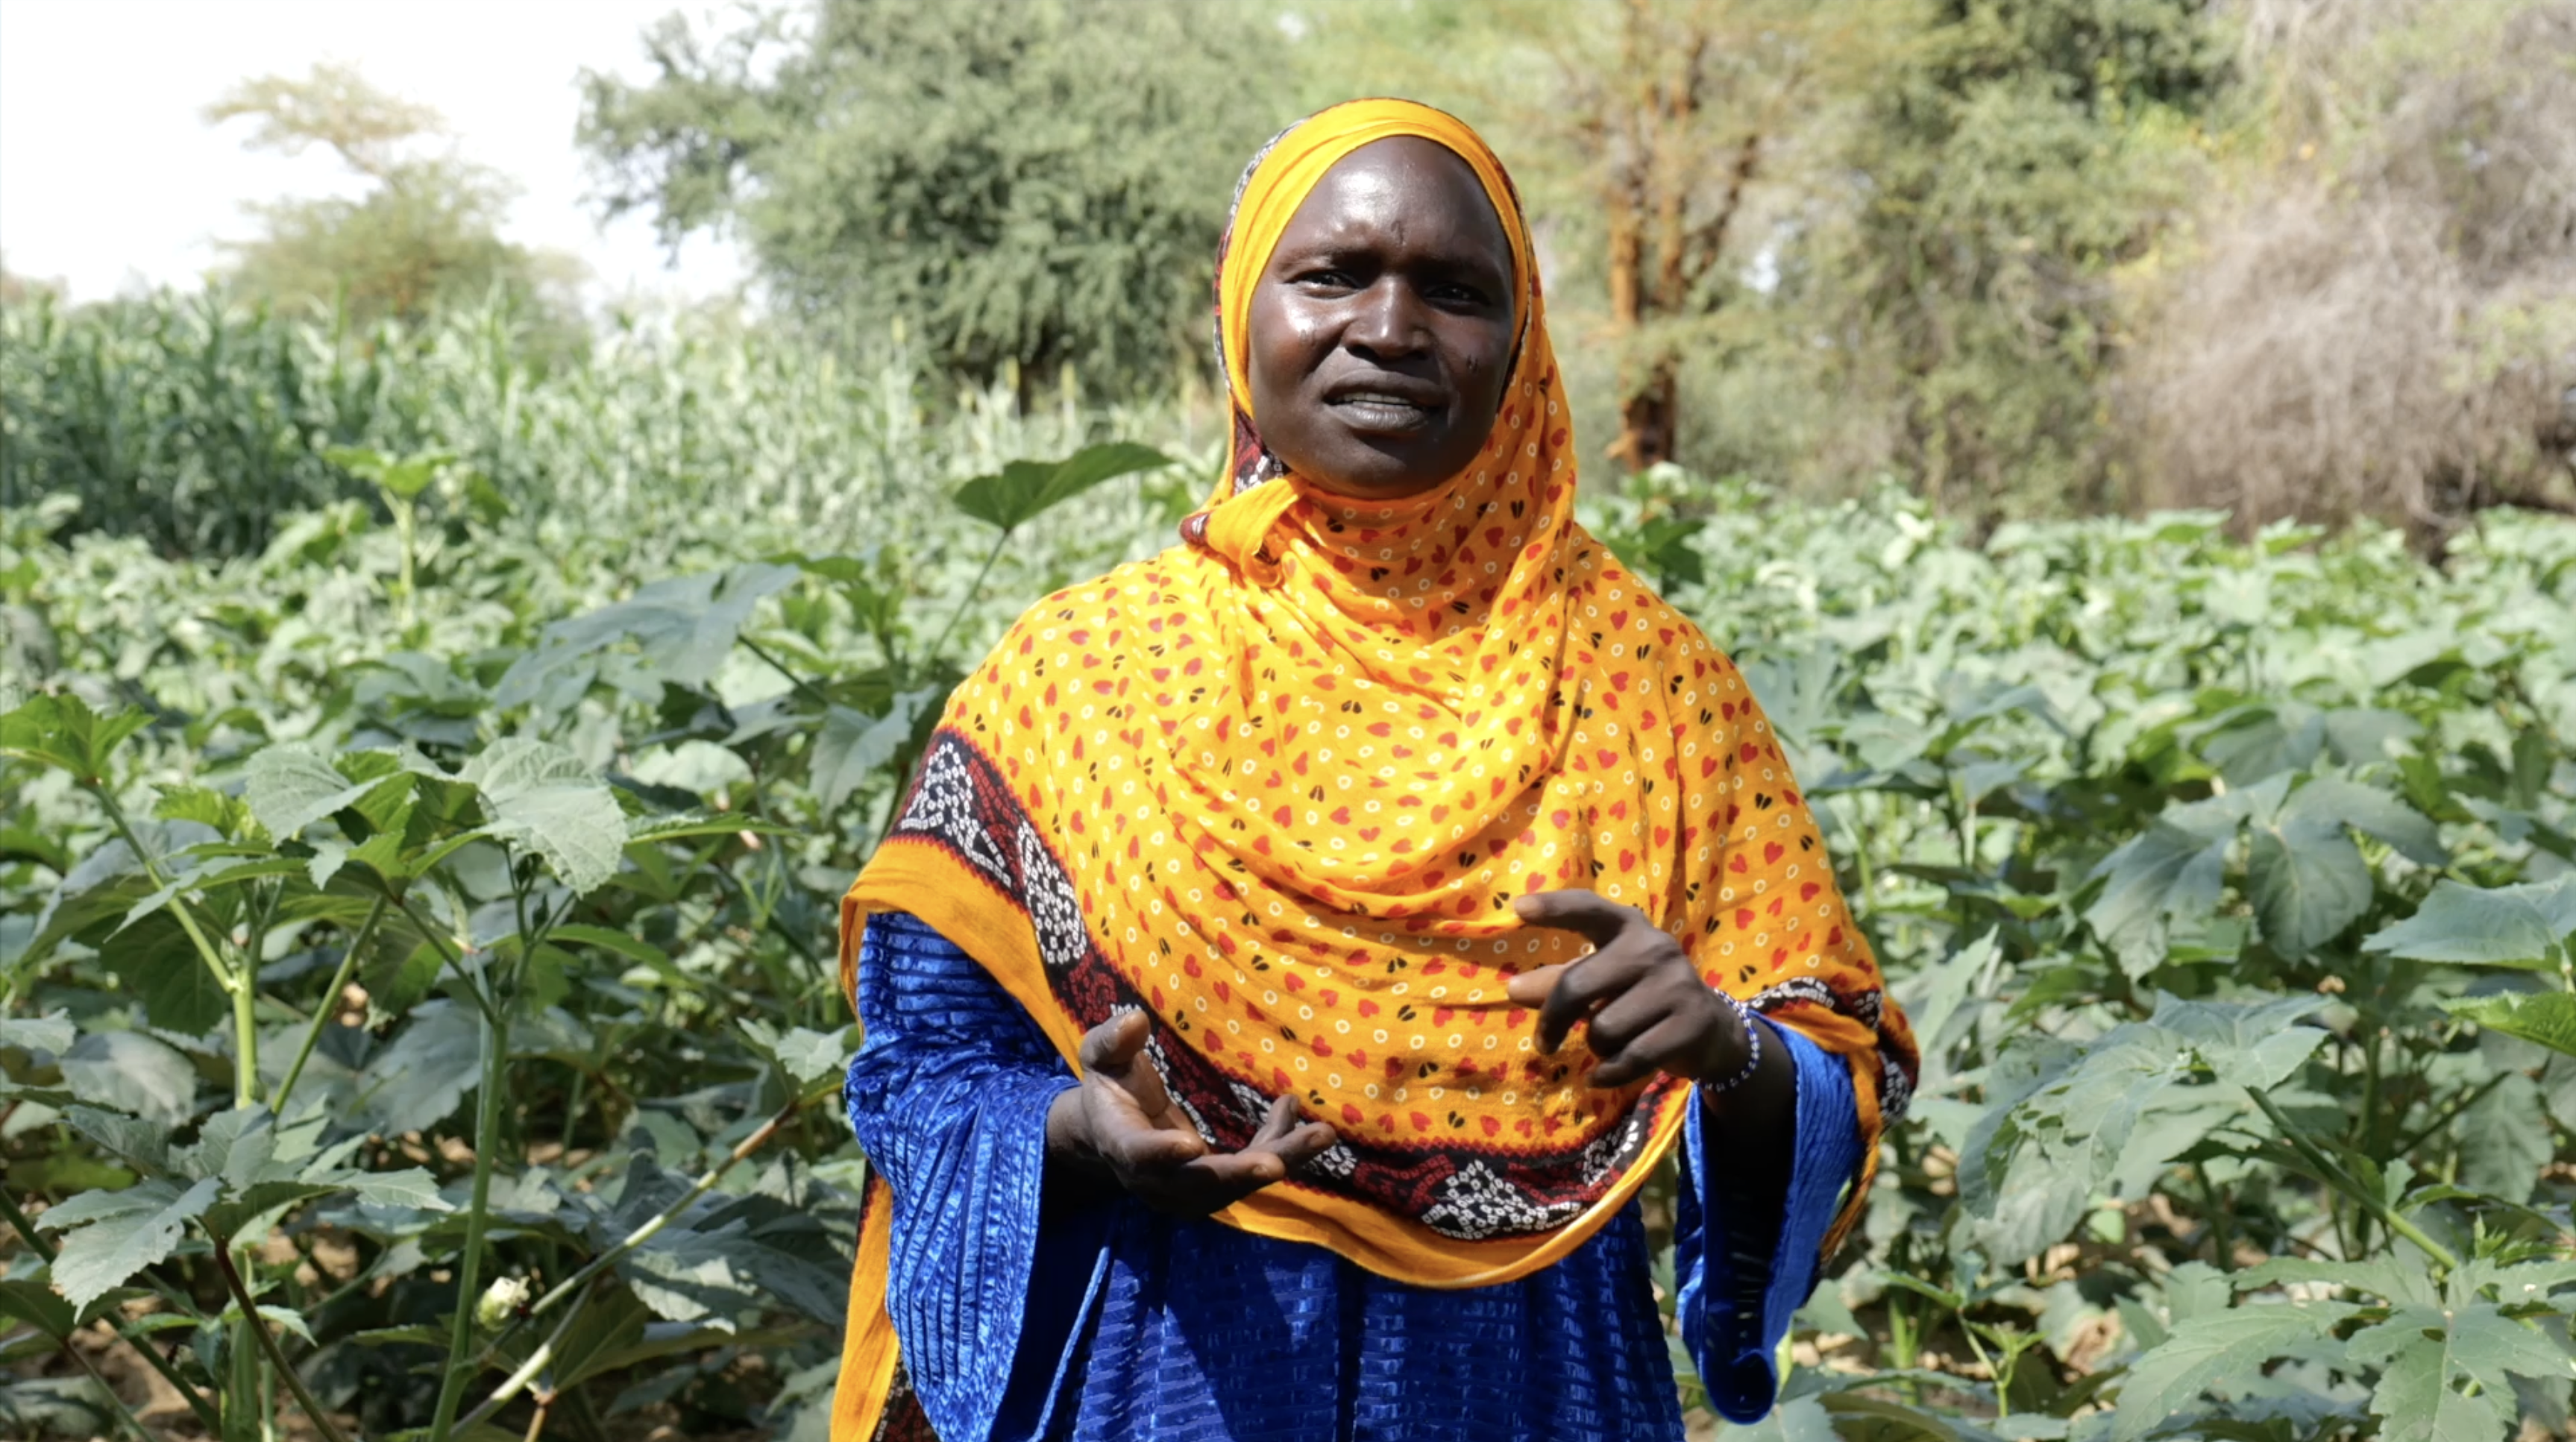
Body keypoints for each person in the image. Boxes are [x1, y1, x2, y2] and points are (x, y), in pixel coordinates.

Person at [829, 98, 1916, 1442]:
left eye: (1455, 290)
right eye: (1333, 274)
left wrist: (1723, 1043)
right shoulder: (1075, 674)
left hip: (1525, 1384)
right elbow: (919, 1071)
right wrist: (1078, 1131)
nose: (1391, 328)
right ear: (1244, 312)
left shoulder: (1655, 687)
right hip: (1159, 1366)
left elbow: (1834, 1058)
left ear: (1522, 347)